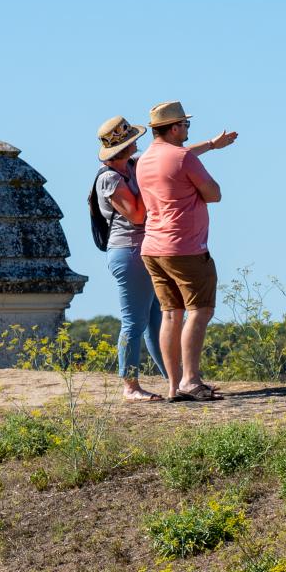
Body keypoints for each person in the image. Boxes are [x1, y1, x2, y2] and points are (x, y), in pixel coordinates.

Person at [137, 100, 238, 403]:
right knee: (200, 310)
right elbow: (214, 193)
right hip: (186, 247)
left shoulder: (144, 160)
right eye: (185, 125)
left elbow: (178, 157)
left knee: (171, 314)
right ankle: (191, 380)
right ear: (176, 127)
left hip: (153, 247)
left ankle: (173, 385)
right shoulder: (183, 159)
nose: (187, 129)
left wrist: (210, 144)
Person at [94, 115, 167, 402]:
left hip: (144, 250)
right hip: (128, 252)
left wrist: (210, 146)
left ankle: (174, 378)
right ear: (122, 146)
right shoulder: (110, 179)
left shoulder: (133, 167)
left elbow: (171, 158)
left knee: (156, 320)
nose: (138, 142)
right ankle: (130, 385)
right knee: (134, 322)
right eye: (132, 139)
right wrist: (156, 190)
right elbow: (137, 214)